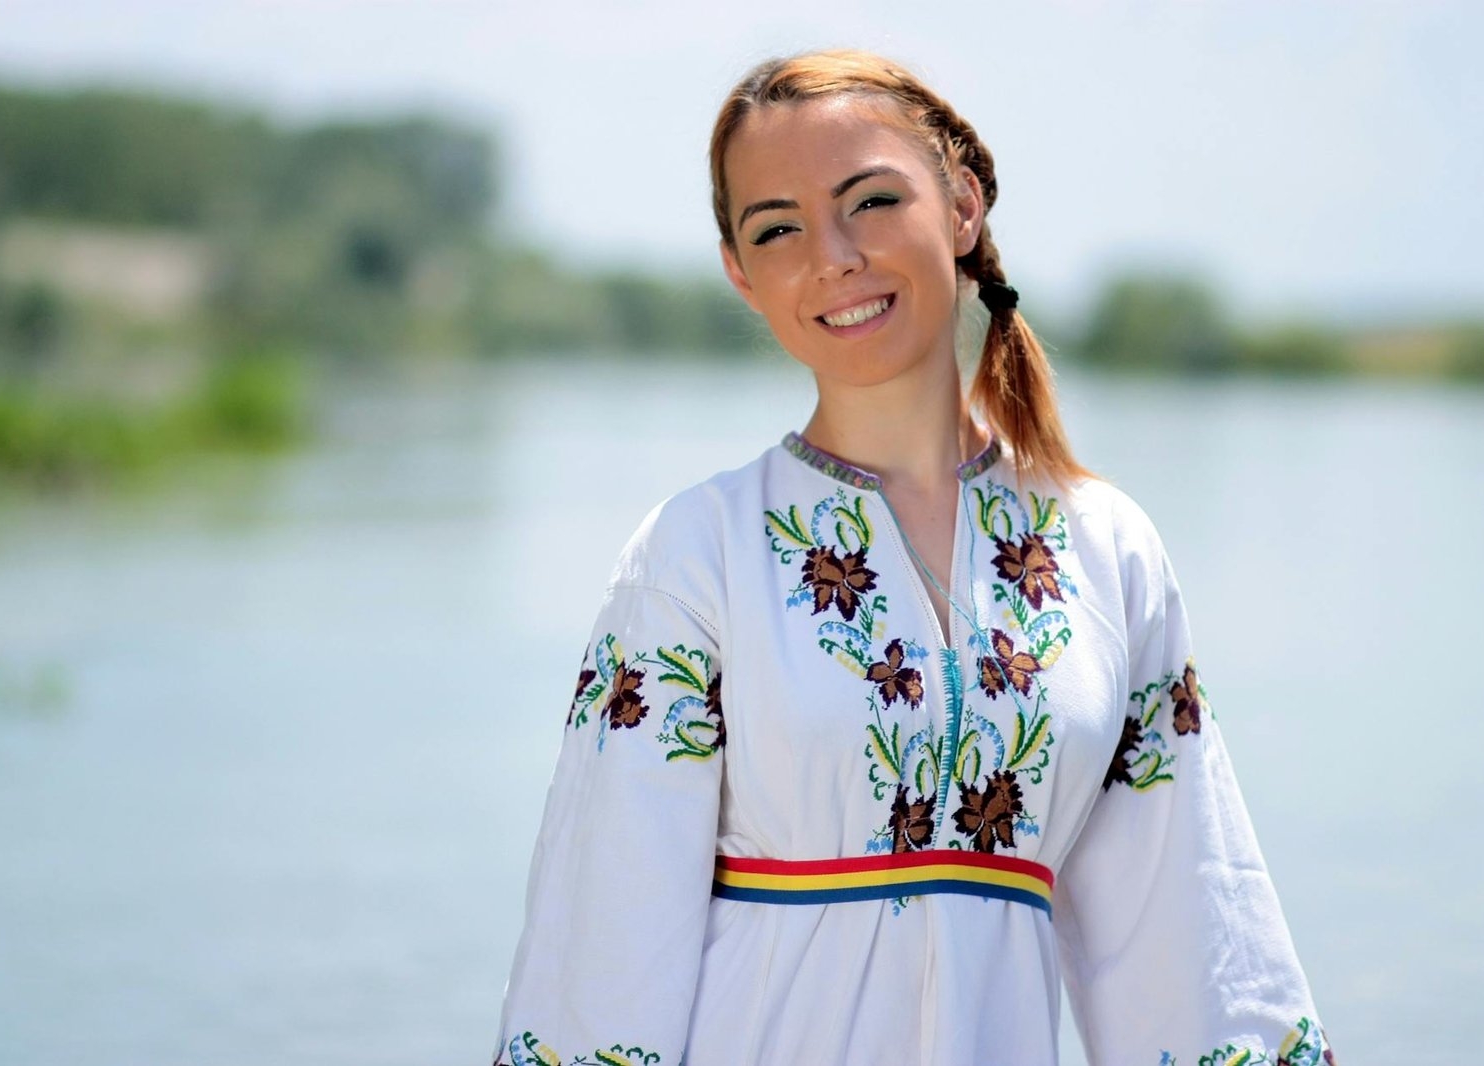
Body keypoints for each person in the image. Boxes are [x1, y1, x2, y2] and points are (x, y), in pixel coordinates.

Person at [491, 49, 1332, 1066]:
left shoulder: (1106, 551)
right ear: (740, 275)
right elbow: (604, 940)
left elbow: (1190, 934)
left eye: (871, 201)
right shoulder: (692, 555)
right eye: (777, 228)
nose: (832, 255)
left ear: (962, 207)